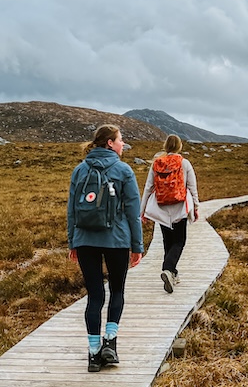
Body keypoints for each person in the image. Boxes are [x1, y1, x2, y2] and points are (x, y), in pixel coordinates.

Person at [67, 124, 143, 372]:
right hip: (117, 240)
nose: (123, 144)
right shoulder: (123, 170)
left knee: (95, 296)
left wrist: (73, 242)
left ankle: (93, 353)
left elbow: (72, 210)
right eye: (121, 140)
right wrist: (136, 246)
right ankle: (110, 343)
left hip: (85, 240)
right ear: (109, 143)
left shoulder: (80, 170)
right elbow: (133, 213)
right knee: (117, 291)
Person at [140, 134, 199, 294]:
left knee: (168, 241)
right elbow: (192, 187)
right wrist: (195, 207)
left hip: (161, 207)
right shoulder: (185, 163)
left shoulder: (156, 163)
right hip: (179, 206)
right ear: (179, 146)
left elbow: (148, 187)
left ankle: (172, 274)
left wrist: (142, 210)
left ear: (166, 146)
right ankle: (168, 268)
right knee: (179, 241)